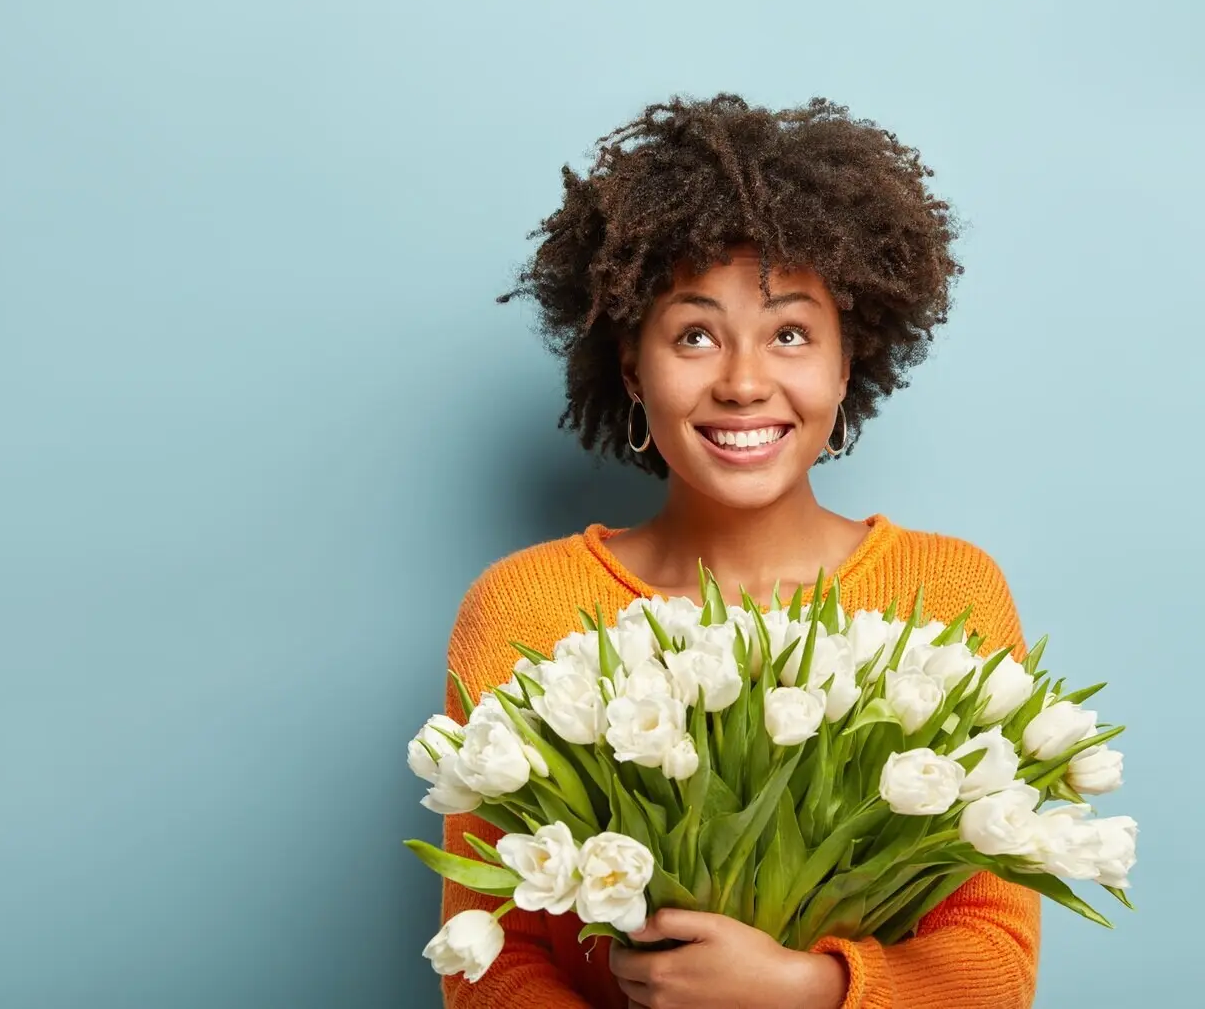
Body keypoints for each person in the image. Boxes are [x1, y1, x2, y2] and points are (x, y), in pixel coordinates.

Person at [434, 95, 1040, 1008]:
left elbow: (996, 952)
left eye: (791, 333)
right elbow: (491, 957)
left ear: (847, 362)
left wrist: (809, 990)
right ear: (634, 368)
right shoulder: (526, 608)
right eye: (694, 335)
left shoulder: (950, 592)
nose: (746, 381)